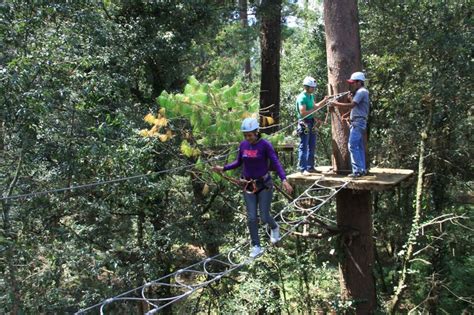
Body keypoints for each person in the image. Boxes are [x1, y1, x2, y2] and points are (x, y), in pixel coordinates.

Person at [212, 117, 293, 258]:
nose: (247, 138)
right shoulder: (243, 145)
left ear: (256, 132)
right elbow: (238, 162)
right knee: (251, 217)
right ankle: (256, 245)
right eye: (245, 135)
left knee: (264, 216)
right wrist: (223, 168)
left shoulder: (265, 145)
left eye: (250, 135)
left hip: (264, 185)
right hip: (248, 185)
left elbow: (276, 162)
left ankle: (274, 227)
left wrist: (284, 179)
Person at [329, 71, 370, 178]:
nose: (351, 85)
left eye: (353, 83)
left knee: (352, 146)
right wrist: (347, 115)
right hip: (358, 121)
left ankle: (357, 171)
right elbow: (357, 108)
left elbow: (352, 105)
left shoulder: (361, 92)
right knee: (359, 146)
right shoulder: (361, 92)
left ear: (359, 82)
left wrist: (335, 103)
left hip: (358, 122)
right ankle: (362, 169)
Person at [296, 76, 329, 176]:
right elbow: (303, 113)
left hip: (311, 122)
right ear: (306, 87)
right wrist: (313, 111)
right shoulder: (302, 97)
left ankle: (310, 167)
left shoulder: (310, 96)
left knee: (312, 145)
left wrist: (324, 100)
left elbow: (315, 106)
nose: (314, 89)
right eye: (312, 87)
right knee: (304, 146)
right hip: (304, 123)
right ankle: (303, 169)